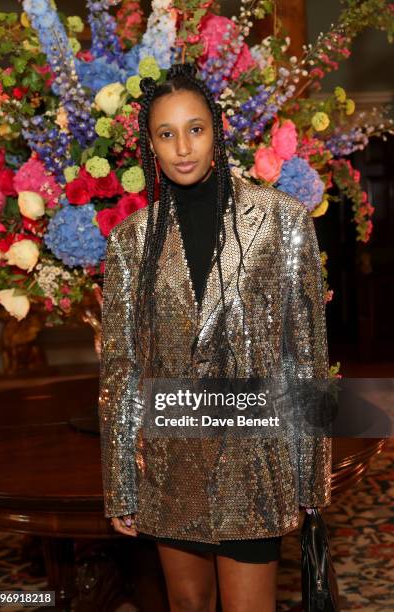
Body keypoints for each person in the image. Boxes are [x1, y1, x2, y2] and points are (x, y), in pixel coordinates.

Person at [98, 61, 332, 611]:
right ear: (150, 147)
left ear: (217, 131)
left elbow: (306, 356)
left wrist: (310, 480)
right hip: (170, 457)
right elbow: (120, 368)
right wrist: (120, 484)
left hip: (257, 457)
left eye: (195, 128)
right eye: (166, 133)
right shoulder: (133, 240)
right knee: (187, 605)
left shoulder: (281, 219)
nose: (183, 146)